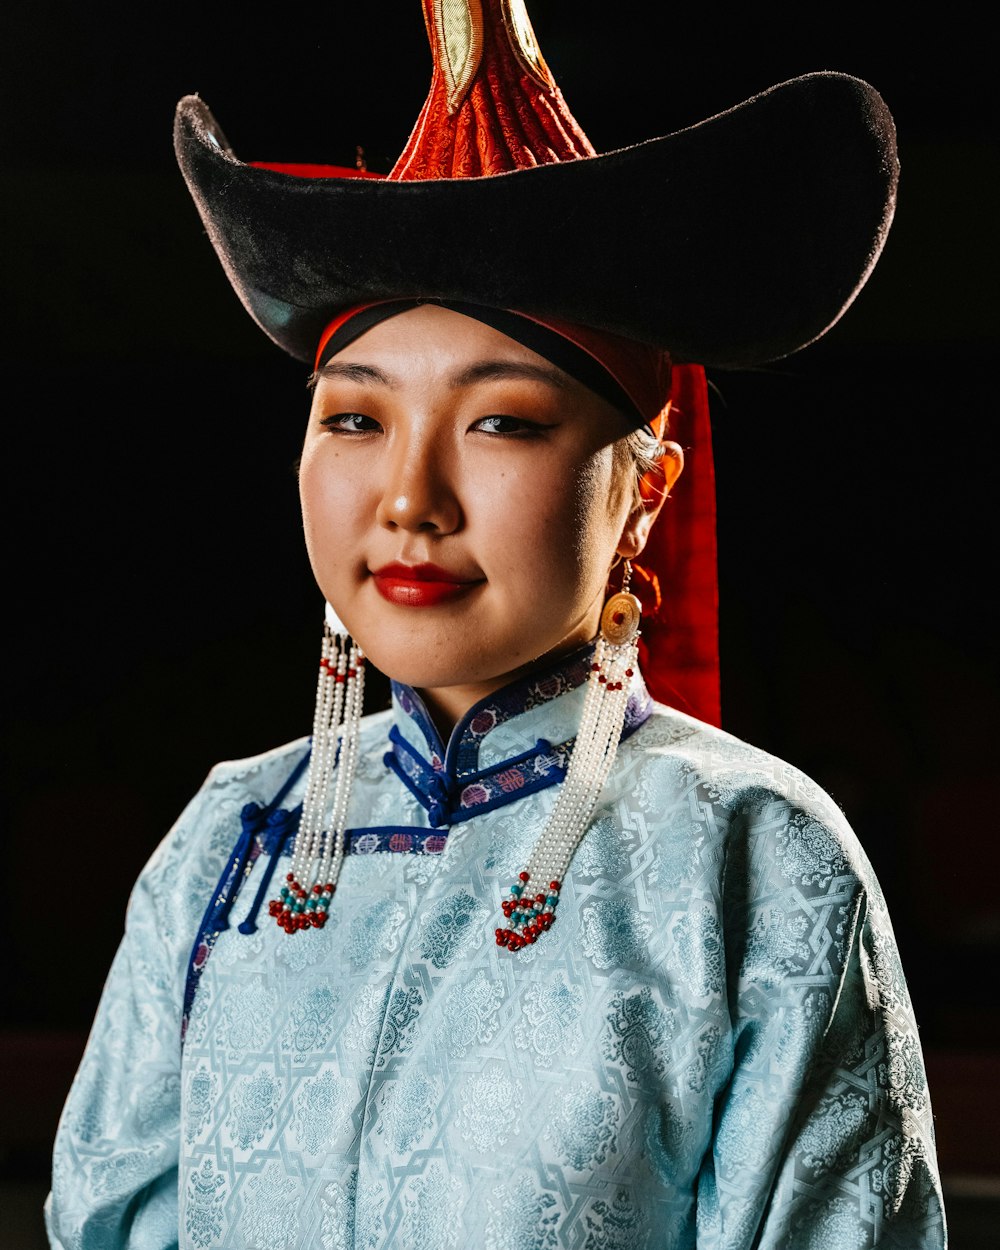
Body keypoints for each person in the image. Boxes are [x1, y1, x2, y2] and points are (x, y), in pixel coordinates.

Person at [46, 2, 946, 1247]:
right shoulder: (221, 850)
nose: (409, 498)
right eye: (356, 419)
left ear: (644, 487)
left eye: (503, 422)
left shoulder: (754, 856)